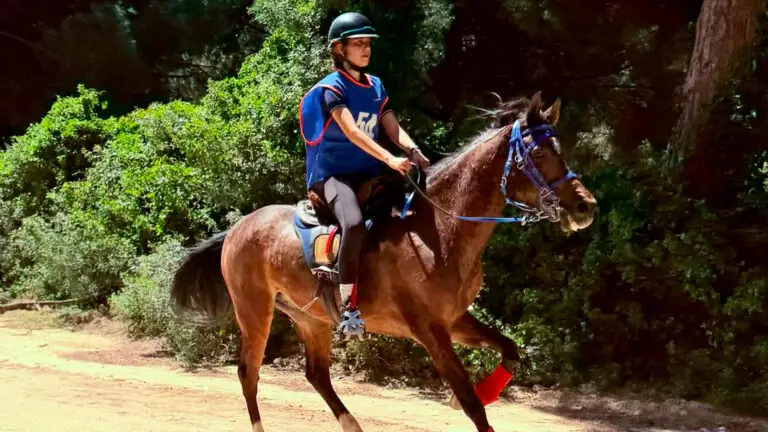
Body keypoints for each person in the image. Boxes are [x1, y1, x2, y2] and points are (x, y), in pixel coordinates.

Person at [298, 11, 430, 336]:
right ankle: (348, 310)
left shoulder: (376, 86)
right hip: (333, 177)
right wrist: (390, 159)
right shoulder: (332, 89)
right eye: (358, 44)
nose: (366, 49)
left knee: (416, 204)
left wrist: (412, 150)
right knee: (354, 225)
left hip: (368, 173)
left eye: (367, 43)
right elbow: (354, 132)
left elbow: (391, 125)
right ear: (340, 50)